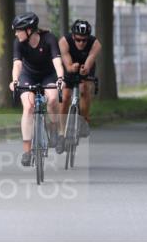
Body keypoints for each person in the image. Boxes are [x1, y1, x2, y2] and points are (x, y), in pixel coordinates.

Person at [10, 12, 65, 167]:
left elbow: (57, 62)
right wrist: (14, 80)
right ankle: (27, 151)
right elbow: (17, 64)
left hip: (49, 75)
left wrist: (60, 78)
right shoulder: (18, 42)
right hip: (28, 75)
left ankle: (57, 131)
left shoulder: (49, 39)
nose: (15, 33)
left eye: (18, 30)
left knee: (53, 99)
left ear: (29, 30)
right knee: (28, 108)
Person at [59, 19, 102, 146]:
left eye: (84, 40)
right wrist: (71, 68)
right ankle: (61, 133)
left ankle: (84, 120)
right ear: (73, 36)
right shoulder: (64, 41)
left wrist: (85, 69)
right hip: (70, 65)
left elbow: (90, 59)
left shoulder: (95, 43)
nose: (81, 43)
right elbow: (67, 63)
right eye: (78, 39)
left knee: (84, 89)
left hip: (86, 66)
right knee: (66, 97)